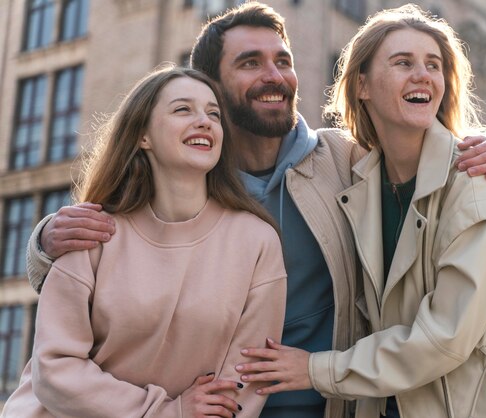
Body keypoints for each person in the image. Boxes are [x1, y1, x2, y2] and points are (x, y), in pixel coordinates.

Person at [24, 3, 486, 418]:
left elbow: (426, 150)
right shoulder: (187, 168)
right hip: (203, 401)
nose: (275, 76)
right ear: (212, 89)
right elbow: (116, 245)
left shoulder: (344, 159)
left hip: (326, 397)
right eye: (250, 63)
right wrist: (45, 241)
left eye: (283, 61)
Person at [234, 4, 486, 418]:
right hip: (402, 398)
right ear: (361, 85)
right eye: (403, 62)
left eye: (433, 65)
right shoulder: (353, 169)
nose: (423, 75)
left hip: (484, 401)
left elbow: (446, 337)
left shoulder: (479, 182)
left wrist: (315, 370)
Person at [4, 65, 286, 417]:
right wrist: (167, 412)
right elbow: (55, 370)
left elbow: (245, 378)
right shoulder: (91, 231)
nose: (205, 121)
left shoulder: (257, 242)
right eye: (183, 109)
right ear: (143, 136)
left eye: (213, 114)